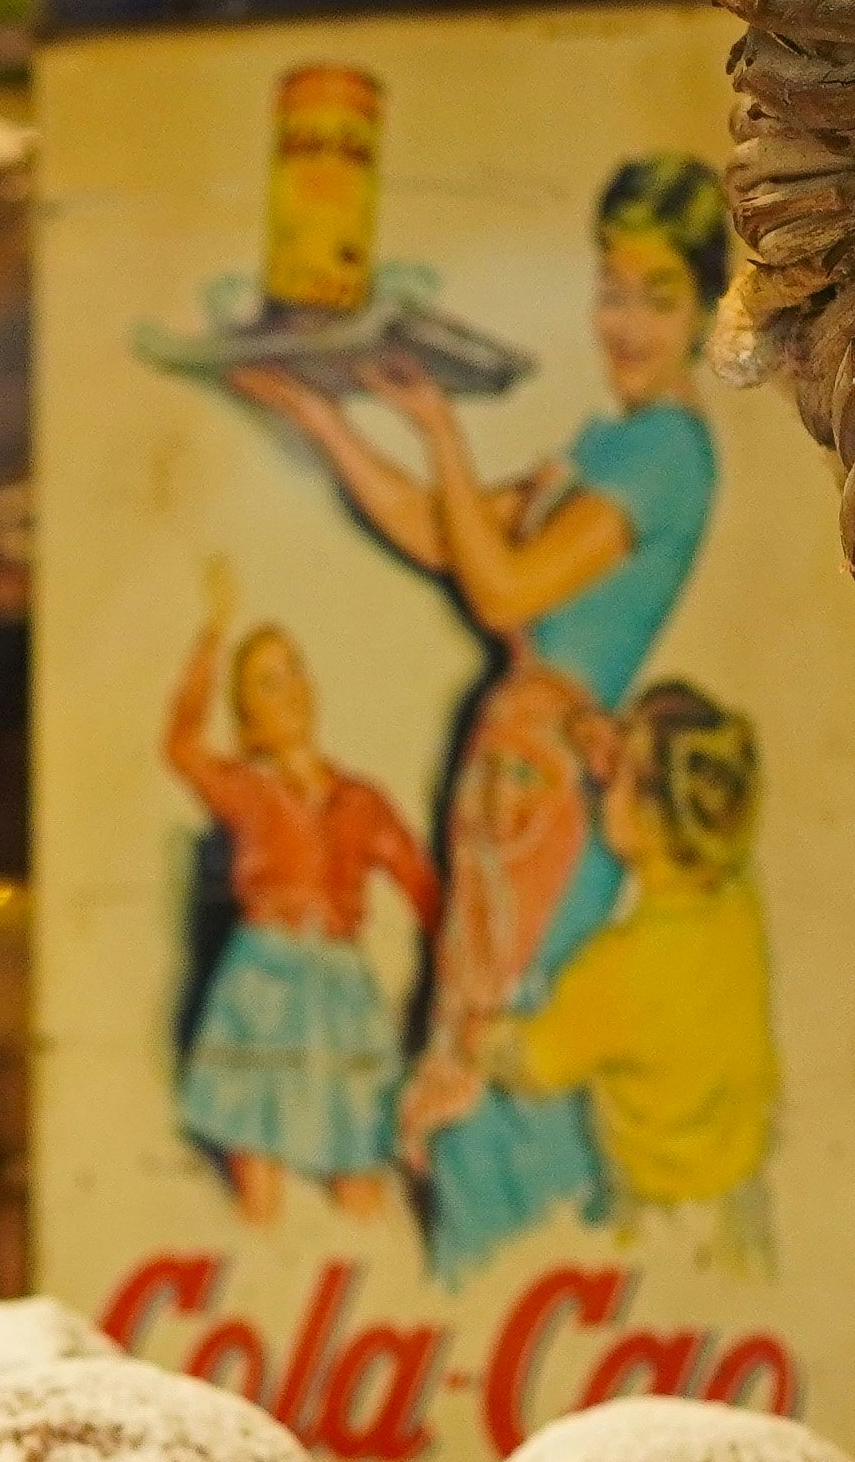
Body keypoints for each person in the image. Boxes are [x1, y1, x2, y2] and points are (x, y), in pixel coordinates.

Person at [228, 156, 739, 1281]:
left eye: (657, 296)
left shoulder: (668, 452)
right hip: (518, 782)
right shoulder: (609, 442)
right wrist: (331, 422)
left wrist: (444, 432)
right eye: (614, 288)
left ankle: (502, 1280)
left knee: (496, 1075)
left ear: (706, 306)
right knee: (469, 1050)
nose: (626, 322)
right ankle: (480, 1280)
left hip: (556, 795)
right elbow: (440, 532)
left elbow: (503, 589)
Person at [162, 557, 433, 1221]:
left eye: (295, 671)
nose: (290, 690)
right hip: (264, 979)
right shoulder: (247, 792)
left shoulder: (362, 801)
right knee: (257, 1172)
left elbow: (428, 892)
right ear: (249, 716)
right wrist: (213, 634)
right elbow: (180, 744)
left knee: (359, 1172)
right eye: (267, 681)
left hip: (341, 991)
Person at [486, 686, 777, 1261]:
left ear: (645, 813)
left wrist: (479, 1037)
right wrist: (621, 753)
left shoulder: (614, 970)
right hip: (741, 1197)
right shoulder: (736, 892)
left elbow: (531, 1062)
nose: (603, 785)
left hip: (664, 1218)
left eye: (617, 775)